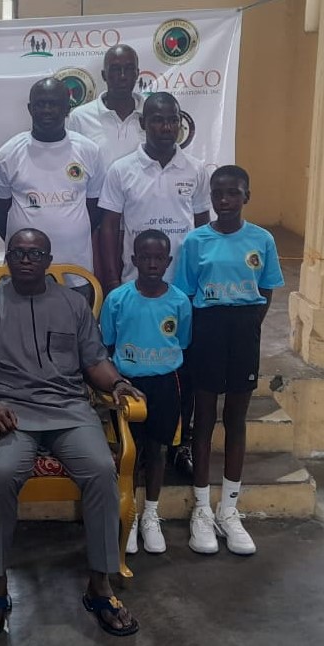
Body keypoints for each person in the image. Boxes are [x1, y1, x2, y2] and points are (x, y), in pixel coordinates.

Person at [0, 228, 141, 638]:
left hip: (69, 410)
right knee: (2, 475)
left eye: (35, 253)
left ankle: (100, 585)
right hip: (10, 413)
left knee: (101, 471)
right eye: (18, 252)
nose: (26, 259)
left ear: (48, 260)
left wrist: (117, 383)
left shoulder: (73, 304)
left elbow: (94, 361)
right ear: (8, 259)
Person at [98, 91, 210, 475]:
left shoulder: (195, 169)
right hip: (136, 288)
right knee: (135, 366)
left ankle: (179, 442)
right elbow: (109, 227)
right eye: (158, 119)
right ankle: (135, 444)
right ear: (143, 123)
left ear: (180, 123)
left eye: (172, 119)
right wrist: (112, 280)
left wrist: (200, 280)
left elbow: (201, 227)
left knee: (182, 370)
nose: (166, 126)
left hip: (183, 290)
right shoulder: (121, 170)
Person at [174, 165, 284, 555]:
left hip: (244, 331)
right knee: (204, 419)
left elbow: (267, 290)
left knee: (236, 419)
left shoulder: (262, 239)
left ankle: (229, 510)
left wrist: (248, 326)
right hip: (207, 329)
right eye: (218, 193)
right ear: (210, 197)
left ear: (246, 196)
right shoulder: (195, 241)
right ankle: (202, 509)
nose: (224, 200)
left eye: (233, 192)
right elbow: (186, 294)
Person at [100, 229, 191, 554]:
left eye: (159, 258)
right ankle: (130, 514)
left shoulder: (179, 301)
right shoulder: (117, 299)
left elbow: (181, 342)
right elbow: (106, 344)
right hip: (128, 386)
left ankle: (151, 514)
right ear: (134, 259)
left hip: (166, 383)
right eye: (145, 257)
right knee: (130, 452)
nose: (152, 263)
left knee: (157, 451)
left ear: (168, 261)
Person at [0, 77, 104, 298]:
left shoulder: (89, 151)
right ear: (30, 109)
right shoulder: (7, 154)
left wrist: (71, 232)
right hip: (23, 272)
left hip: (76, 272)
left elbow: (95, 210)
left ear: (67, 109)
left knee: (76, 321)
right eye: (40, 104)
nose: (47, 110)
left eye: (54, 104)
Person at [67, 44, 144, 170]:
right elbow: (74, 167)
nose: (123, 76)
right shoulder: (80, 117)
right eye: (115, 69)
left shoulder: (152, 116)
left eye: (129, 69)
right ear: (104, 75)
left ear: (137, 74)